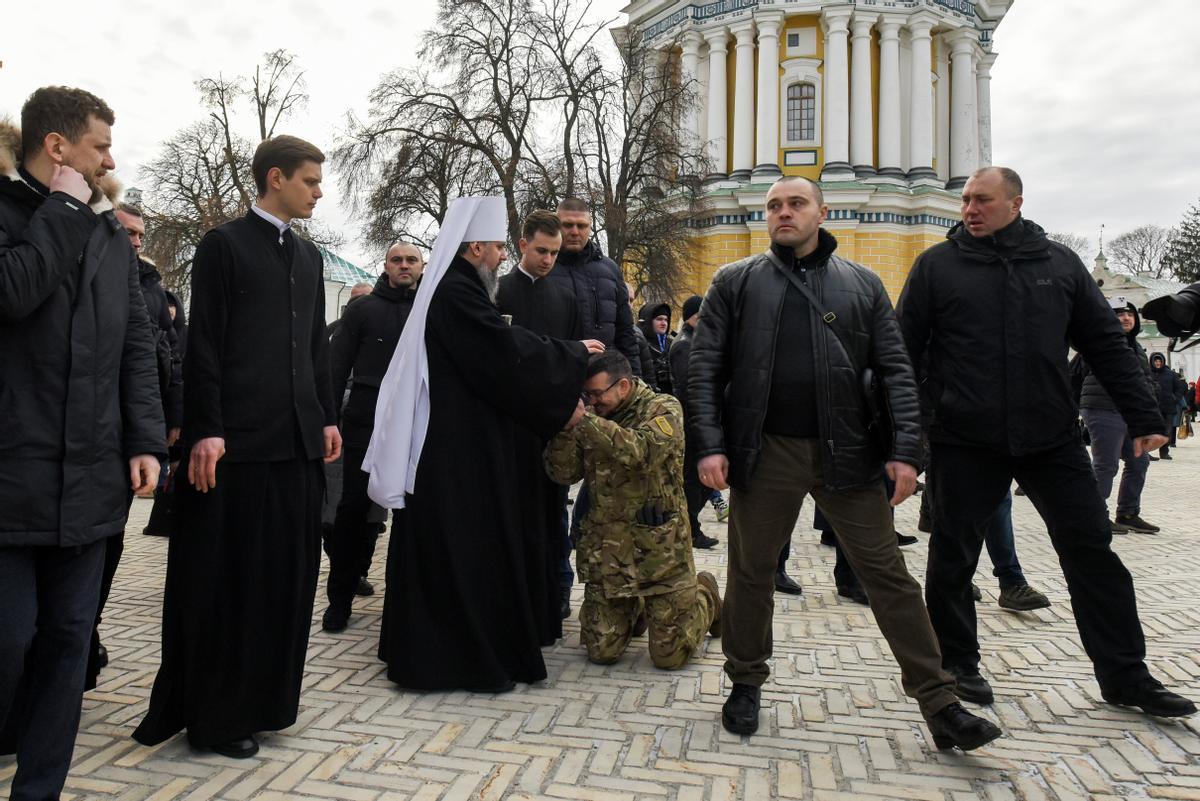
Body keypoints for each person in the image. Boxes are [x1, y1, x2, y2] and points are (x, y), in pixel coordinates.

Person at [689, 175, 1000, 751]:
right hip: (766, 450)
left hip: (848, 451)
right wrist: (709, 444)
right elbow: (704, 370)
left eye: (796, 204)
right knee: (752, 571)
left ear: (821, 211)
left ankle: (939, 702)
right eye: (775, 205)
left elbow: (897, 371)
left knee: (887, 576)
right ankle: (745, 681)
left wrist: (907, 452)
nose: (784, 213)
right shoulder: (735, 282)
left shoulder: (862, 284)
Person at [897, 166, 1194, 718]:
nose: (969, 209)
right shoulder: (937, 266)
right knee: (952, 558)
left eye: (982, 200)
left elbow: (1106, 344)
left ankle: (1126, 675)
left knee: (1092, 553)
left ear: (1015, 203)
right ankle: (958, 665)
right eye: (965, 200)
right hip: (965, 438)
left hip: (1050, 437)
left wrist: (1144, 416)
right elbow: (902, 356)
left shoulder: (1058, 264)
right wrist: (905, 444)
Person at [134, 135, 342, 759]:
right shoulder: (223, 245)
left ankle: (267, 703)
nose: (318, 191)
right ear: (275, 178)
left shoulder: (308, 257)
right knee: (232, 582)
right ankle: (218, 716)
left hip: (299, 446)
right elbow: (206, 346)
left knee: (287, 579)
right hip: (239, 448)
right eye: (310, 181)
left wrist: (328, 418)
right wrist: (207, 428)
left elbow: (314, 350)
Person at [0, 88, 164, 801]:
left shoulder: (107, 236)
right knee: (9, 641)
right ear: (59, 146)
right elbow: (13, 290)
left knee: (69, 643)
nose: (111, 160)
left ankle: (39, 791)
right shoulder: (11, 216)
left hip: (92, 480)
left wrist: (146, 438)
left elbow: (136, 344)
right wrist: (63, 208)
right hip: (10, 476)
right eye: (99, 145)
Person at [365, 196, 590, 693]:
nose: (500, 257)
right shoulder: (456, 292)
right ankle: (453, 655)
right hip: (454, 450)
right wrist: (571, 354)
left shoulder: (456, 287)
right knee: (461, 546)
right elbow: (501, 350)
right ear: (474, 248)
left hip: (457, 440)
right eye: (494, 248)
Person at [545, 351, 722, 668]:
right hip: (610, 557)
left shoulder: (663, 409)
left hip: (659, 554)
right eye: (588, 395)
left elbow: (640, 452)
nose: (594, 402)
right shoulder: (592, 419)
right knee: (602, 652)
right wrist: (563, 429)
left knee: (669, 656)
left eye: (598, 394)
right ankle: (637, 608)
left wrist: (584, 421)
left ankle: (705, 595)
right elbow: (564, 473)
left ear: (623, 386)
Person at [83, 199, 185, 691]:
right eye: (128, 232)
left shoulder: (154, 288)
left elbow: (166, 355)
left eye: (143, 234)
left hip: (137, 432)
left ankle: (88, 625)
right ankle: (83, 633)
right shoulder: (99, 271)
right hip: (97, 428)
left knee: (112, 538)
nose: (138, 241)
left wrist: (167, 422)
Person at [497, 209, 592, 643]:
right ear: (522, 245)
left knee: (553, 512)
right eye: (541, 251)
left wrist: (574, 404)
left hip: (553, 425)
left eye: (554, 253)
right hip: (508, 424)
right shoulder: (498, 292)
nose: (548, 259)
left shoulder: (566, 297)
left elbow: (575, 362)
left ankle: (554, 594)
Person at [321, 242, 424, 632]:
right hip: (366, 422)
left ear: (421, 266)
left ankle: (406, 602)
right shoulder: (363, 310)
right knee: (352, 512)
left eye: (410, 260)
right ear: (385, 266)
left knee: (411, 515)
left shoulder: (428, 310)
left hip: (415, 423)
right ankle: (339, 601)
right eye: (396, 260)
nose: (403, 266)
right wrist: (328, 420)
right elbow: (336, 366)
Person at [1077, 299, 1159, 534]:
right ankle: (1094, 516)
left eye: (1130, 314)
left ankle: (1128, 513)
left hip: (1127, 412)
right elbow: (1078, 373)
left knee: (1139, 461)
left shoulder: (1136, 346)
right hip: (1103, 407)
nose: (1126, 318)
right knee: (1106, 464)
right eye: (1119, 314)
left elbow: (1144, 380)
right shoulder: (1101, 341)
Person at [668, 294, 718, 550]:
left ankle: (689, 526)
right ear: (694, 316)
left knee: (701, 481)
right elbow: (690, 387)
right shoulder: (684, 345)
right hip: (691, 421)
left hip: (697, 420)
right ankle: (687, 527)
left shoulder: (695, 341)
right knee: (694, 479)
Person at [1148, 354, 1186, 460]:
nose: (1158, 363)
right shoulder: (1147, 373)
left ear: (1163, 362)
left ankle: (1164, 452)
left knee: (1167, 431)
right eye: (1155, 361)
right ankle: (1146, 452)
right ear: (1152, 362)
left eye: (1159, 361)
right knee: (1149, 431)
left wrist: (1175, 399)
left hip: (1168, 407)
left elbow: (1179, 388)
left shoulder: (1170, 374)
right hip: (1152, 407)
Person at [638, 301, 674, 394]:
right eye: (659, 319)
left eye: (666, 320)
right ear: (649, 320)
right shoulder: (638, 343)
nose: (664, 323)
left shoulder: (671, 343)